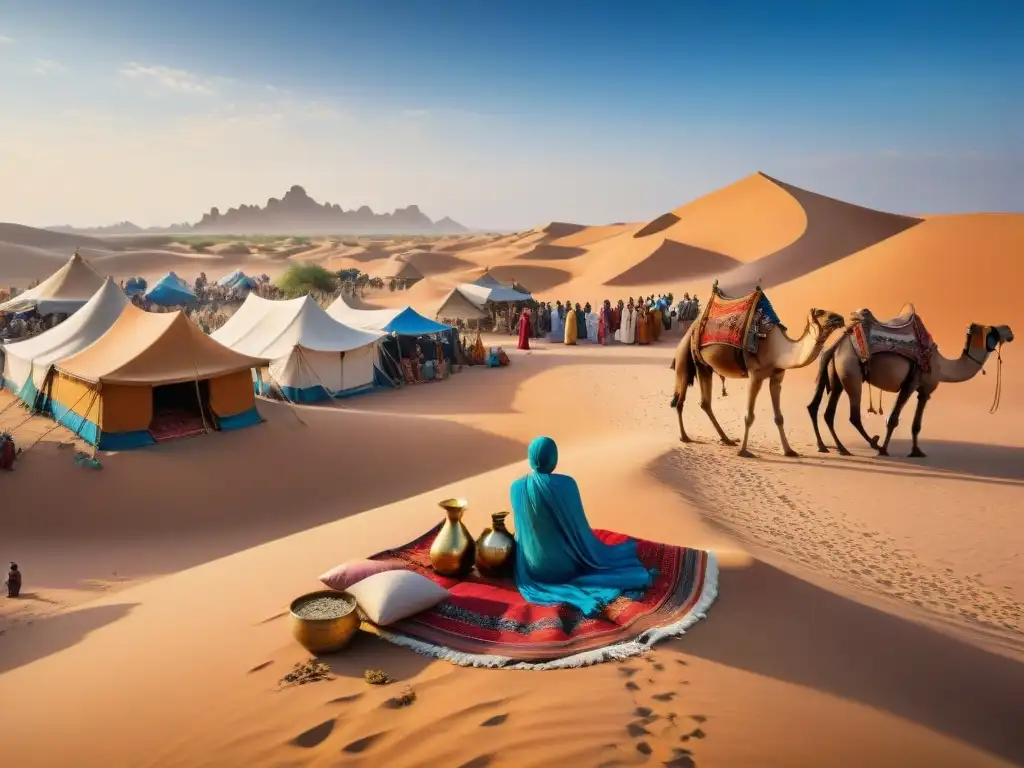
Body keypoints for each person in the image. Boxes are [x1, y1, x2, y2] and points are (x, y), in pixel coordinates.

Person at [510, 437, 653, 615]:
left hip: (533, 569)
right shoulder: (567, 484)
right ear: (553, 457)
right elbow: (578, 529)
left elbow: (522, 532)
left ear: (531, 457)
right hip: (567, 566)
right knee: (604, 557)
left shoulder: (516, 488)